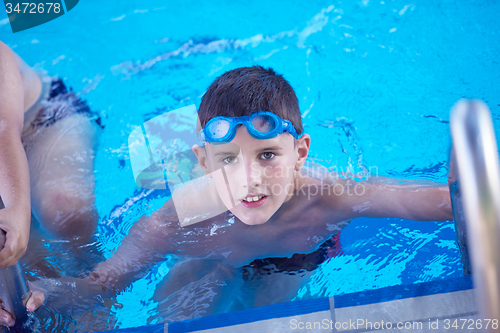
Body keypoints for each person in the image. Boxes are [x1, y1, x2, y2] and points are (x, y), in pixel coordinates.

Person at [0, 65, 453, 326]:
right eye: (229, 160)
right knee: (172, 311)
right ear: (205, 161)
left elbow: (433, 200)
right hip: (210, 237)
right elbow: (105, 282)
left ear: (300, 151)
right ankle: (166, 153)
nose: (249, 180)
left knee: (269, 311)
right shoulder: (173, 223)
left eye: (269, 156)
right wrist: (43, 293)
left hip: (293, 254)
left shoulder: (332, 195)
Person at [0, 41, 100, 326]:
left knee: (65, 207)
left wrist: (18, 210)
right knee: (19, 262)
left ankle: (94, 280)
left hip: (44, 121)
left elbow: (3, 129)